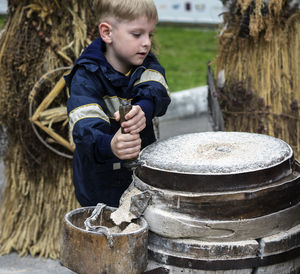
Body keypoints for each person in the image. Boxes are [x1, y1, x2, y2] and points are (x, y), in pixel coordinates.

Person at [65, 0, 171, 207]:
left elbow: (157, 90)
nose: (147, 42)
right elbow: (85, 128)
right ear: (107, 33)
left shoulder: (147, 64)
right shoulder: (86, 76)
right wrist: (110, 145)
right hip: (99, 187)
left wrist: (144, 109)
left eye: (150, 34)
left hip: (141, 180)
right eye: (137, 34)